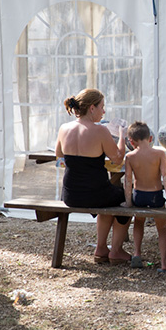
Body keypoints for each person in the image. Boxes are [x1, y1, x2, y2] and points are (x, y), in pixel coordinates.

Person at [55, 89, 130, 263]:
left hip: (70, 195)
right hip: (96, 193)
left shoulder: (64, 128)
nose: (104, 112)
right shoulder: (100, 131)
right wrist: (121, 136)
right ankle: (116, 250)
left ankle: (101, 248)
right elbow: (118, 160)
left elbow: (59, 156)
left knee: (110, 197)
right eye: (102, 107)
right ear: (92, 108)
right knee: (126, 198)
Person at [123, 121, 166, 272]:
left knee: (138, 221)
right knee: (162, 226)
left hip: (139, 196)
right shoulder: (159, 154)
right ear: (151, 138)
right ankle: (164, 262)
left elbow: (128, 181)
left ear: (131, 142)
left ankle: (137, 253)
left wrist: (128, 203)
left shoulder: (130, 156)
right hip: (155, 195)